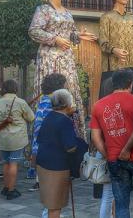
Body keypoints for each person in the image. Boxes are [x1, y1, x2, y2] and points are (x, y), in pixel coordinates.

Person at [29, 0, 97, 138]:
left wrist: (79, 35)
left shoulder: (67, 12)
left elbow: (71, 34)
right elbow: (34, 31)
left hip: (67, 59)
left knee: (70, 91)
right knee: (52, 93)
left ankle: (73, 136)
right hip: (49, 59)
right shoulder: (43, 9)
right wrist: (55, 39)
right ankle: (47, 137)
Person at [91, 69, 133, 218]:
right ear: (130, 83)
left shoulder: (98, 105)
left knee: (121, 203)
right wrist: (127, 149)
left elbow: (95, 138)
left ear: (113, 84)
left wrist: (109, 155)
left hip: (115, 159)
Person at [36, 89, 86, 218]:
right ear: (66, 104)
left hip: (43, 163)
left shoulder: (49, 116)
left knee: (50, 204)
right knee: (55, 205)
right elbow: (71, 147)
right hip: (56, 167)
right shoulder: (64, 121)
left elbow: (40, 138)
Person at [0, 80, 35, 200]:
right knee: (13, 163)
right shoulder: (20, 102)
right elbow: (31, 117)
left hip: (3, 138)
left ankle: (6, 187)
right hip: (17, 138)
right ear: (15, 89)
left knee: (6, 163)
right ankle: (11, 190)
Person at [29, 73, 67, 192]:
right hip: (50, 132)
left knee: (40, 154)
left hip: (39, 130)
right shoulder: (56, 99)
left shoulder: (44, 98)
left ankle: (38, 181)